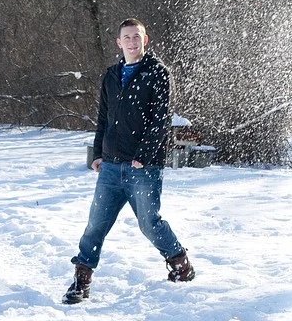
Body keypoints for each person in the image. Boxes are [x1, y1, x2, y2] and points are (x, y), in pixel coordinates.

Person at [63, 18, 196, 304]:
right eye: (127, 37)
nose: (132, 42)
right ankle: (81, 281)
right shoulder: (111, 75)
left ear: (144, 41)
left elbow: (160, 118)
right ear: (119, 42)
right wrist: (98, 153)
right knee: (95, 225)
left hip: (142, 167)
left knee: (149, 224)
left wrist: (143, 156)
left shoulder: (157, 73)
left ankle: (181, 265)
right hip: (110, 166)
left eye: (137, 37)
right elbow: (103, 117)